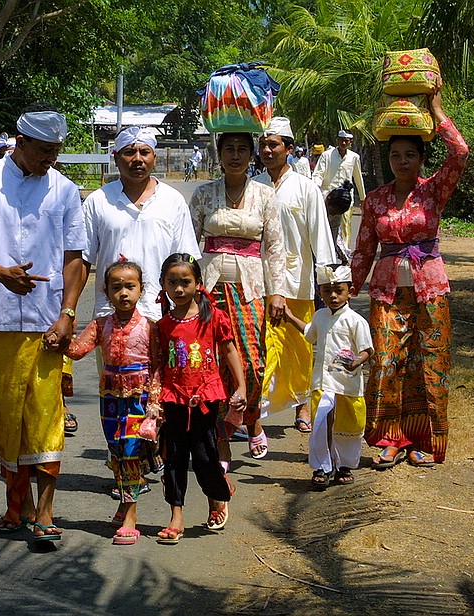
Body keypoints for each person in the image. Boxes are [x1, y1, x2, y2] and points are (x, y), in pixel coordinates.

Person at [0, 104, 87, 542]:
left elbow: (75, 258)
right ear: (21, 142)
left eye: (56, 151)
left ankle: (45, 510)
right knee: (7, 416)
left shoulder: (65, 190)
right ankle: (18, 506)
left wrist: (68, 313)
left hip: (49, 323)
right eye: (44, 149)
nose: (51, 158)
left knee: (46, 417)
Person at [350, 79, 467, 469]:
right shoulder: (375, 200)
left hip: (430, 291)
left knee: (428, 363)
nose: (402, 161)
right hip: (387, 294)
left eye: (410, 155)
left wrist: (437, 111)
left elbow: (460, 152)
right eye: (395, 155)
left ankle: (422, 440)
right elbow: (364, 249)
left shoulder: (434, 191)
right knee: (386, 361)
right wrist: (347, 289)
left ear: (421, 159)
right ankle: (390, 438)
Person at [189, 132, 287, 463]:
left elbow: (276, 247)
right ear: (219, 154)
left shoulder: (265, 195)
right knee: (214, 364)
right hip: (209, 290)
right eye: (228, 149)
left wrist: (278, 292)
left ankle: (251, 418)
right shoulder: (204, 194)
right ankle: (221, 440)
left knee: (253, 364)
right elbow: (188, 243)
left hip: (251, 290)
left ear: (251, 155)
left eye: (242, 149)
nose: (235, 156)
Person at [65, 260, 161, 545]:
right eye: (116, 287)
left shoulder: (150, 327)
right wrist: (60, 333)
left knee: (130, 451)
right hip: (109, 398)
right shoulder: (100, 325)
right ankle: (124, 504)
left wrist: (155, 404)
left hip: (139, 398)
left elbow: (158, 367)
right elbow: (77, 350)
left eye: (130, 286)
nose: (123, 293)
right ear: (106, 292)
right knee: (116, 451)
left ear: (141, 290)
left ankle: (131, 516)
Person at [155, 253, 245, 545]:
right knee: (174, 458)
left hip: (206, 397)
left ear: (198, 283)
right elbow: (160, 363)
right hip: (173, 398)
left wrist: (241, 387)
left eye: (185, 282)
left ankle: (217, 494)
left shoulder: (213, 317)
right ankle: (176, 516)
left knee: (205, 457)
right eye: (172, 283)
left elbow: (229, 351)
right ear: (163, 285)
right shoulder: (163, 325)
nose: (179, 289)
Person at [253, 118, 335, 433]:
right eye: (263, 145)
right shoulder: (253, 186)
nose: (267, 150)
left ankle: (302, 405)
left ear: (288, 149)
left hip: (297, 281)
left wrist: (328, 281)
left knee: (299, 347)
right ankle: (256, 410)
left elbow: (320, 237)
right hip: (259, 280)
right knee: (263, 346)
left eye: (273, 145)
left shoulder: (306, 188)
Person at [82, 126, 200, 324]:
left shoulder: (173, 200)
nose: (137, 159)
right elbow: (83, 260)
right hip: (110, 316)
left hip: (161, 315)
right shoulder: (98, 200)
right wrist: (68, 309)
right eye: (129, 152)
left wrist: (192, 311)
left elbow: (186, 261)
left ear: (154, 158)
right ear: (116, 158)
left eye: (144, 152)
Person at [284, 264, 373, 489]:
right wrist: (290, 317)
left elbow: (367, 349)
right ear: (320, 292)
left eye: (338, 291)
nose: (333, 296)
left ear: (350, 292)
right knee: (321, 424)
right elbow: (309, 334)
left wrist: (357, 361)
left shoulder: (355, 321)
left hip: (346, 384)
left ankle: (344, 466)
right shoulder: (320, 316)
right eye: (327, 291)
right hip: (323, 383)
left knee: (347, 425)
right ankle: (322, 467)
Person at [312, 130, 366, 253]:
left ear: (350, 142)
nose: (343, 143)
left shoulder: (354, 157)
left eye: (346, 141)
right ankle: (327, 251)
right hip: (328, 198)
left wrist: (363, 198)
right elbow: (319, 174)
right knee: (327, 227)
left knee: (345, 225)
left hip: (346, 199)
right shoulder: (326, 155)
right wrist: (315, 188)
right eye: (341, 140)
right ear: (337, 140)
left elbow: (358, 178)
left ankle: (344, 254)